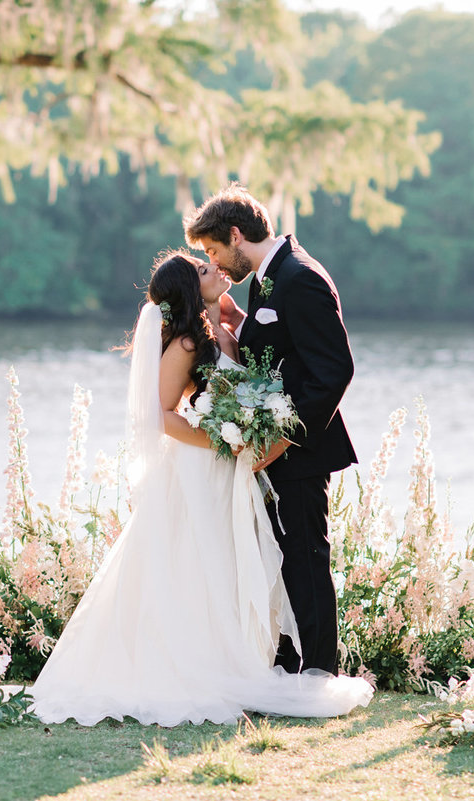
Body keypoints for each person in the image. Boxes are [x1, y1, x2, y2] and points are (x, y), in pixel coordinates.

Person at [27, 251, 371, 726]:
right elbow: (161, 413)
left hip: (229, 470)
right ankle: (186, 666)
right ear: (193, 289)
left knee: (228, 563)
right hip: (199, 466)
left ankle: (232, 660)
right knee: (196, 560)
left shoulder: (220, 333)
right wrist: (220, 442)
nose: (218, 270)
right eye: (206, 270)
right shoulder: (188, 344)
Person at [184, 184, 357, 676]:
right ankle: (290, 664)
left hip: (303, 449)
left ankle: (322, 673)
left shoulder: (299, 277)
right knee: (283, 561)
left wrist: (281, 439)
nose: (216, 265)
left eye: (215, 251)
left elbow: (333, 371)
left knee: (306, 559)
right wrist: (238, 324)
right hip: (274, 451)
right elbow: (279, 353)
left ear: (236, 234)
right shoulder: (267, 279)